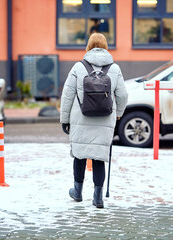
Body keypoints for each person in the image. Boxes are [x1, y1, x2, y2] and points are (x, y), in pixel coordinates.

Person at [60, 33, 128, 208]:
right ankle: (98, 197)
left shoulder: (78, 67)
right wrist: (118, 113)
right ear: (105, 47)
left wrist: (64, 120)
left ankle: (77, 191)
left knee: (79, 155)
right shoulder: (114, 69)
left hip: (80, 117)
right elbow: (123, 95)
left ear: (88, 46)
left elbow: (67, 96)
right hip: (105, 119)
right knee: (99, 157)